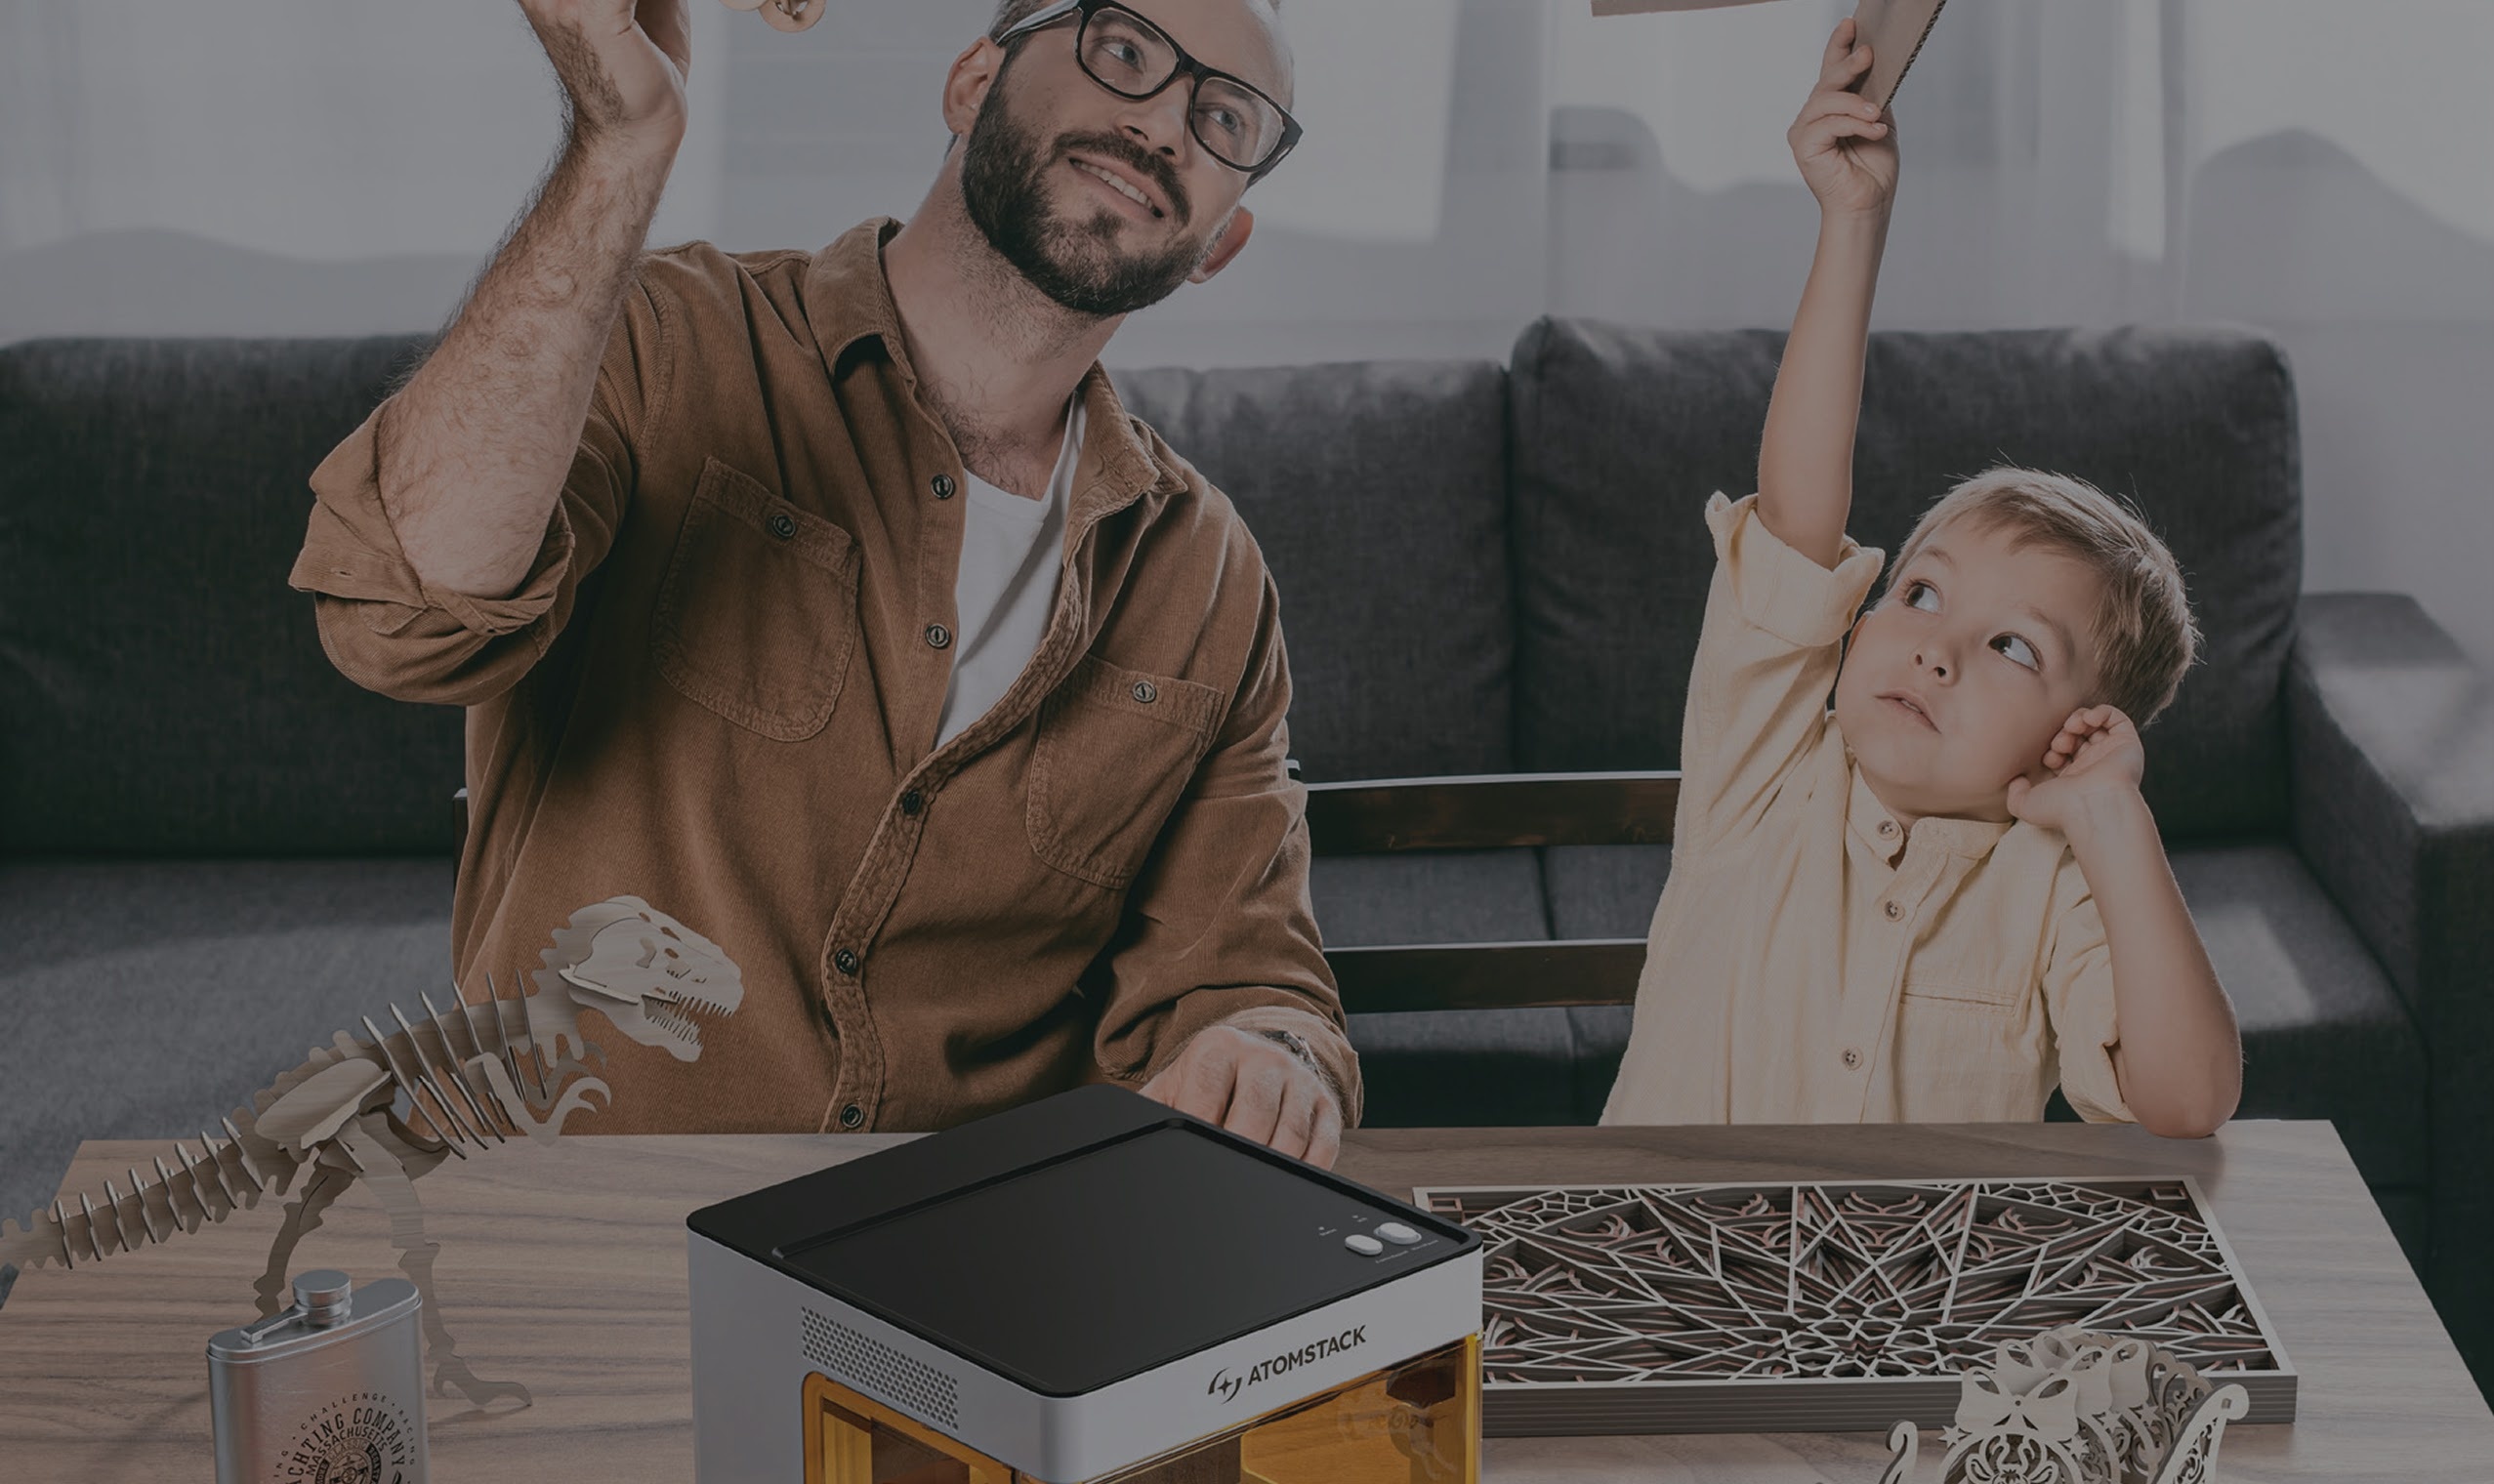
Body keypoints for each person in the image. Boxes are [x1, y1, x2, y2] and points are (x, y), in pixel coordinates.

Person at [288, 0, 1358, 1164]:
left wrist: (1269, 1048)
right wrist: (617, 147)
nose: (1161, 124)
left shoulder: (1204, 572)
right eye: (1124, 50)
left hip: (967, 1236)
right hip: (581, 1210)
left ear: (1221, 240)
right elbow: (403, 616)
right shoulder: (664, 340)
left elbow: (1241, 968)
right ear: (971, 83)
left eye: (1224, 118)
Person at [1600, 20, 2243, 1136]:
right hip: (1666, 1241)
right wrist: (1853, 220)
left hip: (1906, 1263)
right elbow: (1798, 513)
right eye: (1921, 593)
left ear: (2073, 735)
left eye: (2012, 647)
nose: (1936, 649)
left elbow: (2186, 1102)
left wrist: (2111, 818)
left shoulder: (2050, 880)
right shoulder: (1766, 764)